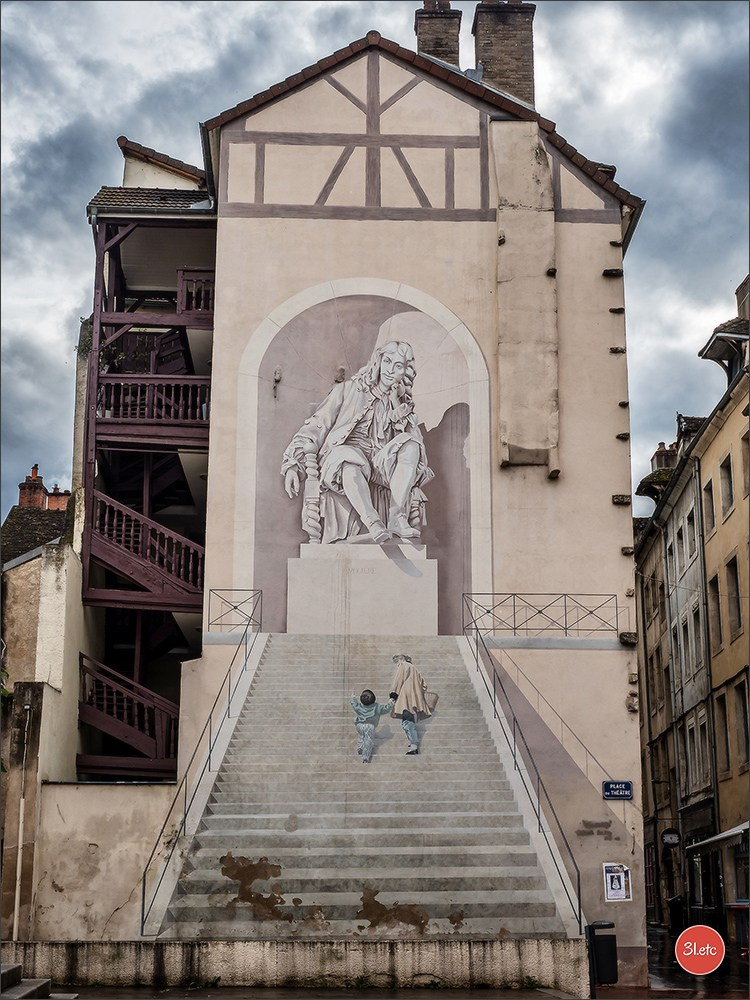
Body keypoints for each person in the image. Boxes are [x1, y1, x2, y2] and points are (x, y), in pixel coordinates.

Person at [281, 341, 433, 543]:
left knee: (411, 444)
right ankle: (373, 522)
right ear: (378, 362)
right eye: (387, 361)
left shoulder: (403, 405)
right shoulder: (348, 390)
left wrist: (400, 415)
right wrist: (294, 463)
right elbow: (317, 425)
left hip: (380, 464)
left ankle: (397, 516)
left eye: (398, 366)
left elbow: (416, 453)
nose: (390, 370)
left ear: (405, 372)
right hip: (344, 459)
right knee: (349, 458)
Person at [390, 653, 433, 756]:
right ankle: (412, 742)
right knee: (409, 719)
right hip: (414, 696)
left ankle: (414, 745)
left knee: (407, 721)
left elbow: (398, 680)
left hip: (405, 696)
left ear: (400, 659)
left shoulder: (402, 665)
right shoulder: (414, 668)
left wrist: (393, 693)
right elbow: (424, 685)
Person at [350, 688, 397, 764]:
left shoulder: (360, 707)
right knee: (368, 740)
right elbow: (386, 709)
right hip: (370, 726)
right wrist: (391, 701)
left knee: (362, 735)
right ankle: (366, 757)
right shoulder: (377, 707)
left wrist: (353, 698)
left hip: (359, 725)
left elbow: (354, 705)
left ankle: (360, 747)